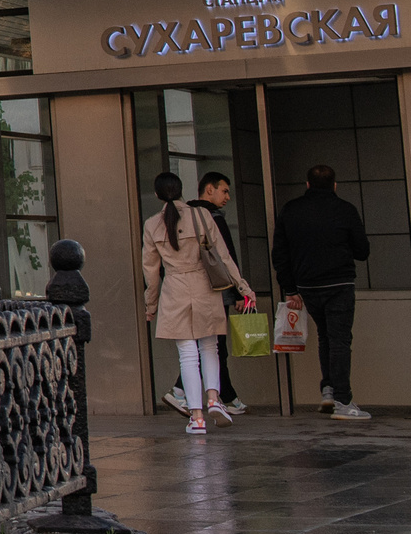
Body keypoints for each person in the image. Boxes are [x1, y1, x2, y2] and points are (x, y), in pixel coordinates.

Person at [142, 171, 256, 434]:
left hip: (175, 290)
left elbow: (151, 272)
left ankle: (197, 417)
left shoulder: (152, 225)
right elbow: (224, 256)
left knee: (187, 356)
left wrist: (151, 306)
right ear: (181, 191)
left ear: (159, 195)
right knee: (210, 348)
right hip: (205, 287)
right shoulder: (201, 215)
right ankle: (215, 400)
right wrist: (243, 287)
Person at [272, 163, 372, 421]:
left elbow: (280, 253)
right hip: (339, 284)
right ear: (334, 185)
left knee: (326, 338)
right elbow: (362, 251)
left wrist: (290, 288)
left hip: (307, 287)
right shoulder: (346, 210)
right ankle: (342, 399)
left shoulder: (291, 210)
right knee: (339, 340)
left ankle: (328, 390)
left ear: (307, 185)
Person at [172, 173, 247, 415]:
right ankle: (185, 392)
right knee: (213, 344)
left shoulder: (182, 217)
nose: (227, 197)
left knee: (199, 342)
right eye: (224, 191)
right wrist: (240, 291)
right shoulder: (213, 218)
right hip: (216, 290)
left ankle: (220, 395)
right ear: (209, 190)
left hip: (186, 289)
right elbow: (227, 257)